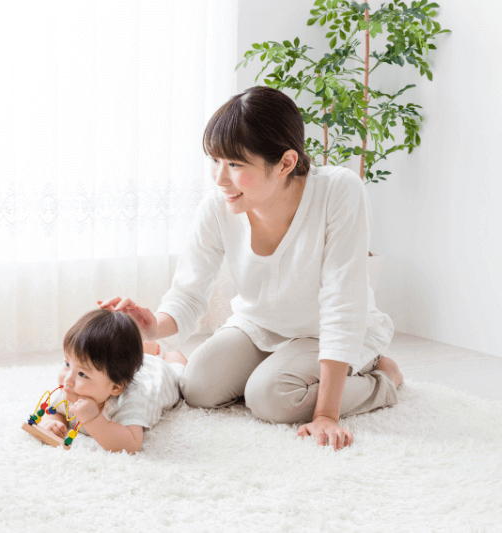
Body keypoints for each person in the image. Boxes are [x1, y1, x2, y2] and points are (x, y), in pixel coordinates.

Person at [100, 86, 404, 451]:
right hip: (258, 325)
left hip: (322, 332)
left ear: (286, 163)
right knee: (198, 388)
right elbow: (189, 290)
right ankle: (281, 370)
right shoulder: (218, 203)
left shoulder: (339, 191)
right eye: (216, 161)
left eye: (235, 165)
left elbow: (343, 301)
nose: (219, 179)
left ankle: (382, 378)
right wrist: (154, 326)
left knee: (271, 399)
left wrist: (325, 414)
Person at [39, 309, 183, 454]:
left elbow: (131, 446)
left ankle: (172, 353)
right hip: (128, 369)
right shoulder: (71, 389)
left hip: (158, 373)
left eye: (82, 374)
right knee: (126, 359)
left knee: (179, 373)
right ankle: (146, 349)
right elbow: (54, 410)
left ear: (116, 387)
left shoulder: (130, 401)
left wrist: (93, 419)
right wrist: (51, 422)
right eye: (67, 364)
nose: (67, 379)